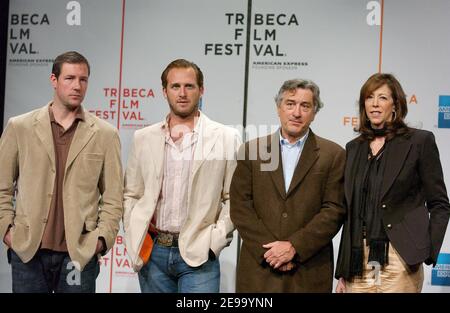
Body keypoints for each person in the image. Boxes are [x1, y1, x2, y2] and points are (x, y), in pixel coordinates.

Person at [0, 51, 123, 293]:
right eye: (69, 78)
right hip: (28, 252)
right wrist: (7, 232)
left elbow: (113, 197)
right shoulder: (20, 127)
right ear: (53, 80)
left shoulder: (105, 134)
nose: (77, 86)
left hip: (78, 255)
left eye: (83, 79)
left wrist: (100, 240)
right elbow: (2, 186)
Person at [123, 59, 241, 293]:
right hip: (154, 252)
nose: (182, 93)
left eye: (189, 86)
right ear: (164, 91)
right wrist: (133, 229)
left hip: (199, 254)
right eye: (175, 86)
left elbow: (233, 198)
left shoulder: (226, 137)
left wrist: (214, 242)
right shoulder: (144, 138)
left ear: (201, 90)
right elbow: (132, 193)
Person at [335, 73, 450, 293]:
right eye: (369, 98)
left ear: (395, 105)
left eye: (382, 98)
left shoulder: (419, 141)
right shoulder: (353, 148)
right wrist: (342, 272)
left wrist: (426, 250)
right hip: (358, 259)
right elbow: (350, 213)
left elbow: (439, 204)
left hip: (400, 258)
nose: (375, 104)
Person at [230, 79, 345, 292]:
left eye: (305, 106)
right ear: (278, 108)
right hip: (259, 270)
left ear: (314, 112)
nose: (296, 112)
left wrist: (295, 247)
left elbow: (334, 210)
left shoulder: (333, 155)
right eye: (290, 104)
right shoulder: (252, 150)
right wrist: (271, 253)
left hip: (309, 270)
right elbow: (240, 207)